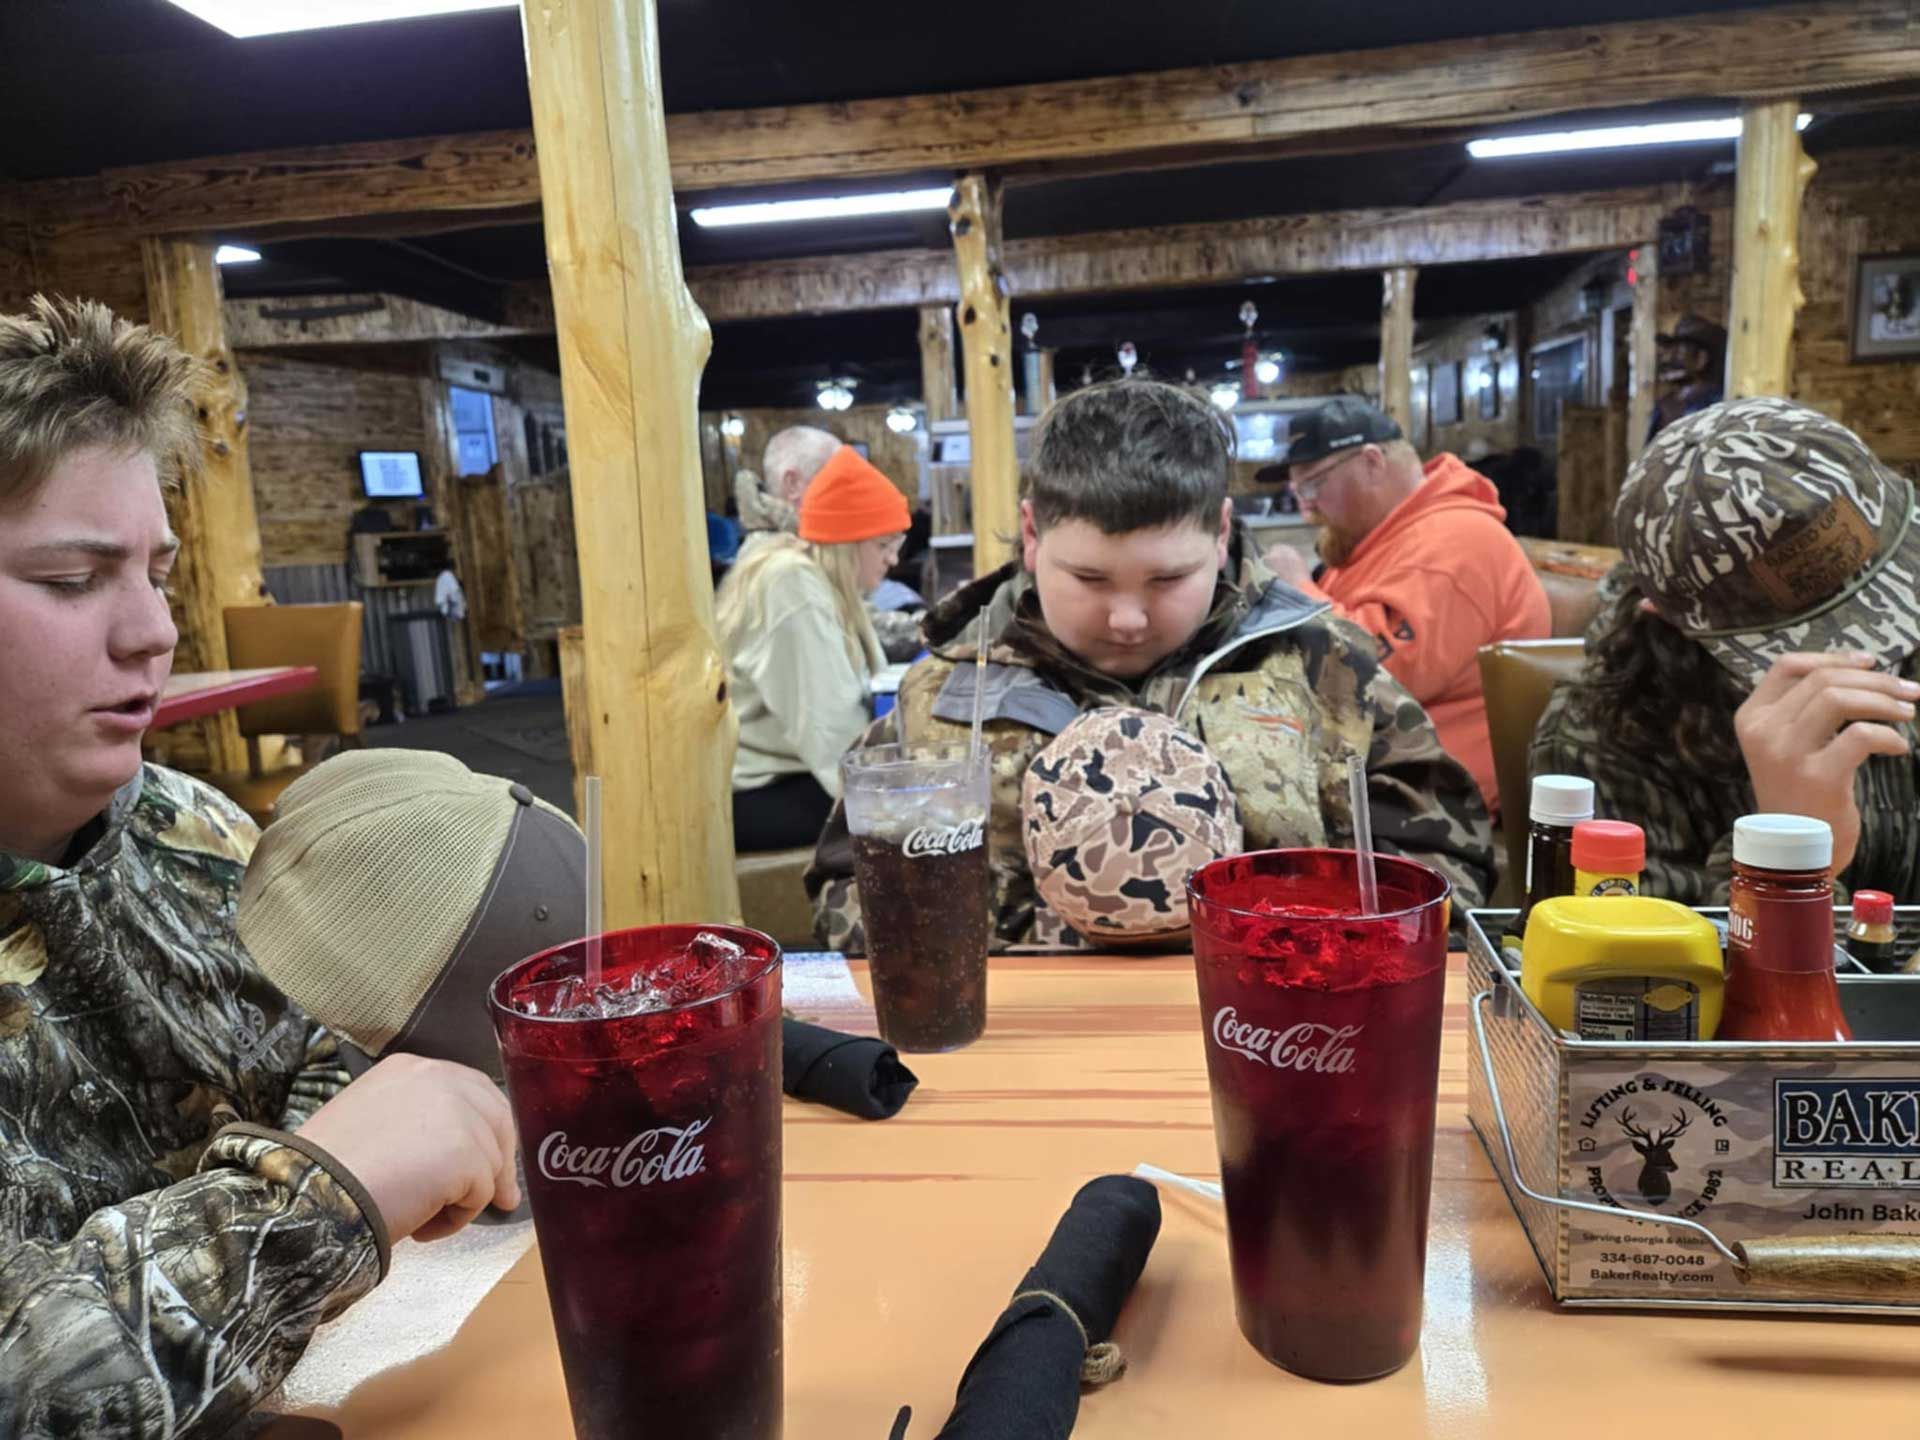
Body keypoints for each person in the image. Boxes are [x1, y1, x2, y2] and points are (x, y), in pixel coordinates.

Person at [0, 296, 519, 1436]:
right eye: (75, 580)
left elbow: (322, 1048)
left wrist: (432, 1125)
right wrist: (316, 1201)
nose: (152, 634)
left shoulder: (192, 833)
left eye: (156, 572)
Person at [807, 377, 1496, 951]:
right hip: (1017, 1051)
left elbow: (1447, 861)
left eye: (1167, 581)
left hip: (1277, 1030)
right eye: (1090, 578)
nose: (1127, 618)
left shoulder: (1325, 669)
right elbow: (846, 885)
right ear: (1031, 534)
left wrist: (1322, 947)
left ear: (1222, 534)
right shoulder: (948, 692)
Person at [1532, 396, 1920, 905]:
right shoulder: (1601, 735)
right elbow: (1648, 972)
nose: (1872, 654)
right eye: (1813, 637)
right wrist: (1784, 853)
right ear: (1662, 614)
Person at [1260, 398, 1550, 817]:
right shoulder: (1384, 540)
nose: (1307, 507)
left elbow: (1381, 678)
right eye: (1298, 490)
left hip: (1433, 797)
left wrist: (1298, 589)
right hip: (1380, 769)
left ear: (1372, 462)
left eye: (1313, 485)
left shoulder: (1455, 542)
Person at [720, 443, 909, 851]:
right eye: (884, 545)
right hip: (758, 791)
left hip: (787, 774)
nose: (893, 560)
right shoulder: (791, 585)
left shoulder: (810, 578)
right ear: (848, 541)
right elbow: (830, 728)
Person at [736, 424, 925, 660]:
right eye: (833, 478)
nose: (848, 490)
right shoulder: (780, 565)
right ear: (792, 483)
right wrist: (940, 626)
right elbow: (853, 629)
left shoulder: (792, 545)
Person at [1646, 313, 1726, 441]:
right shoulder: (1666, 404)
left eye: (1678, 352)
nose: (1667, 359)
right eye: (1669, 352)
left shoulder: (1718, 403)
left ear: (1701, 359)